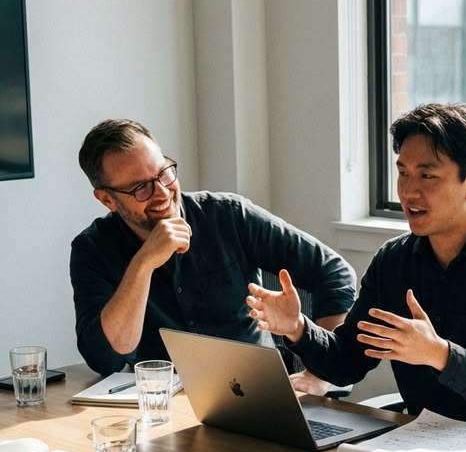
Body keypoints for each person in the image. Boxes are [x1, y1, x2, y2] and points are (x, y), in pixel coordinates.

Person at [246, 102, 466, 440]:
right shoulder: (394, 261)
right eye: (403, 172)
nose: (409, 191)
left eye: (427, 175)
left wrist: (440, 355)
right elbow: (347, 362)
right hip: (423, 444)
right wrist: (297, 328)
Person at [70, 119, 356, 391]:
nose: (162, 192)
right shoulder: (92, 249)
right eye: (141, 187)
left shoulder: (229, 216)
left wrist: (321, 373)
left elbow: (335, 274)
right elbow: (105, 357)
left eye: (163, 173)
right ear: (107, 199)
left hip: (256, 393)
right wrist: (143, 264)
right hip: (164, 407)